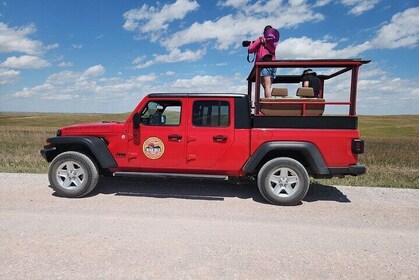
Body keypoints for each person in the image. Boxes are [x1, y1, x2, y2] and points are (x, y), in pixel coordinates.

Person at [248, 25, 279, 98]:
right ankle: (269, 102)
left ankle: (269, 105)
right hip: (273, 64)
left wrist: (251, 43)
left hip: (264, 64)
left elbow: (250, 50)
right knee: (268, 86)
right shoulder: (274, 41)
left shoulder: (261, 39)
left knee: (266, 86)